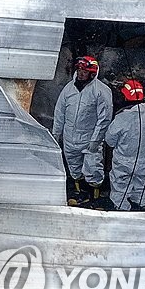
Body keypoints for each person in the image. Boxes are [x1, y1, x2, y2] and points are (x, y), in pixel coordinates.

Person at [52, 55, 113, 203]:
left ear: (92, 73)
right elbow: (60, 112)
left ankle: (95, 197)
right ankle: (80, 194)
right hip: (69, 138)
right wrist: (56, 133)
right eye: (79, 70)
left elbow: (104, 119)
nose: (80, 73)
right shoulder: (68, 89)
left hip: (89, 140)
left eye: (84, 71)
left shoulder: (101, 91)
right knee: (74, 168)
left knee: (93, 169)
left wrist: (96, 140)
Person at [105, 79, 145, 211]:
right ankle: (143, 205)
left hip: (124, 160)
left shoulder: (122, 118)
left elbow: (109, 140)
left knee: (120, 186)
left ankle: (122, 208)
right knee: (141, 184)